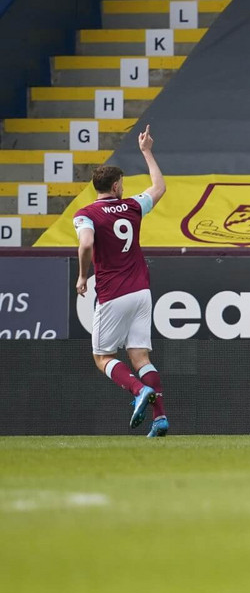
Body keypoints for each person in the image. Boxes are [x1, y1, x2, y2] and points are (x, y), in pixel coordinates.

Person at [73, 125, 170, 436]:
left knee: (102, 357)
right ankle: (160, 418)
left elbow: (86, 244)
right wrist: (146, 151)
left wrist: (82, 275)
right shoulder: (131, 206)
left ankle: (137, 390)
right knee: (141, 356)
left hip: (113, 293)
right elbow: (159, 186)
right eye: (122, 184)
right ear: (115, 186)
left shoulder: (86, 213)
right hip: (142, 291)